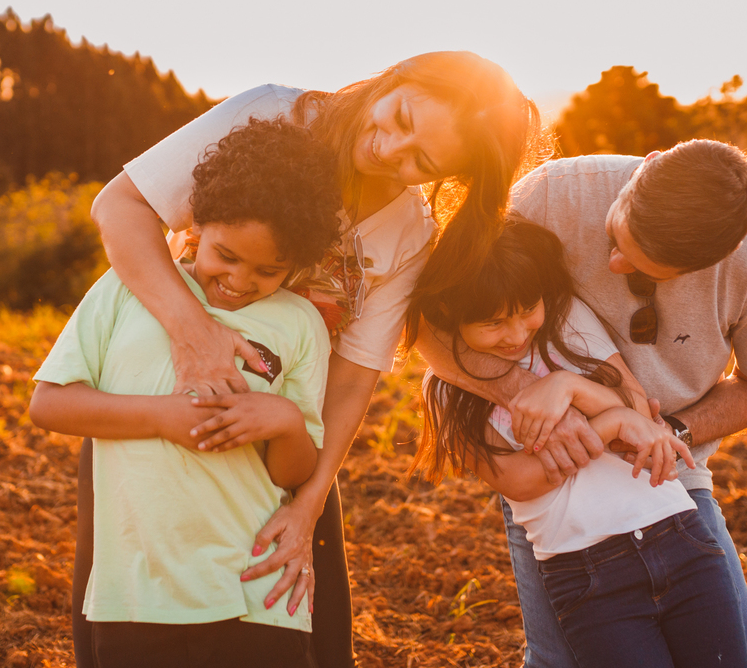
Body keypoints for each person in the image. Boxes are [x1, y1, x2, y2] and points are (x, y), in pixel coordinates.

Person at [87, 51, 542, 667]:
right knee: (145, 611)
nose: (391, 152)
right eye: (401, 117)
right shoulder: (274, 112)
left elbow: (353, 377)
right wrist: (193, 333)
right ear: (398, 76)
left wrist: (307, 504)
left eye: (422, 163)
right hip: (168, 396)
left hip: (285, 438)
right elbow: (120, 208)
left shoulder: (410, 231)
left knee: (289, 630)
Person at [416, 139, 747, 668]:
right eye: (618, 237)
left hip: (665, 479)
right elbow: (428, 311)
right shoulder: (549, 196)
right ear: (647, 167)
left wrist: (662, 433)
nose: (614, 263)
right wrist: (528, 396)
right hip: (561, 505)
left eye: (647, 267)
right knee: (557, 658)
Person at [29, 118, 343, 667]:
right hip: (136, 592)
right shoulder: (127, 289)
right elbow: (49, 403)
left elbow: (293, 471)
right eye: (225, 255)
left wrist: (284, 421)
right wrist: (161, 418)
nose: (241, 281)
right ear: (197, 220)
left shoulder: (299, 324)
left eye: (270, 270)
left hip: (256, 592)